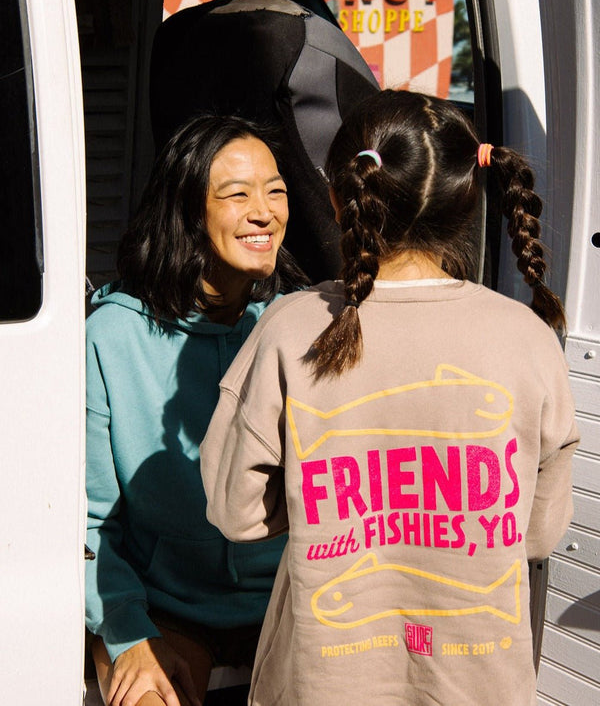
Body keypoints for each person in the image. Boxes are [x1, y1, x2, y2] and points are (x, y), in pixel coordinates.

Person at [200, 90, 579, 706]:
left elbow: (236, 513)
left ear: (338, 195)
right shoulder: (529, 339)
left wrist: (327, 513)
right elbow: (537, 535)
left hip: (325, 684)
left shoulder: (290, 328)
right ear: (470, 198)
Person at [85, 113, 307, 706]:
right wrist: (127, 634)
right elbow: (89, 524)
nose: (265, 211)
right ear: (187, 211)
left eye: (276, 190)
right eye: (237, 194)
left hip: (289, 609)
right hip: (166, 612)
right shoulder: (112, 336)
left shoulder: (298, 327)